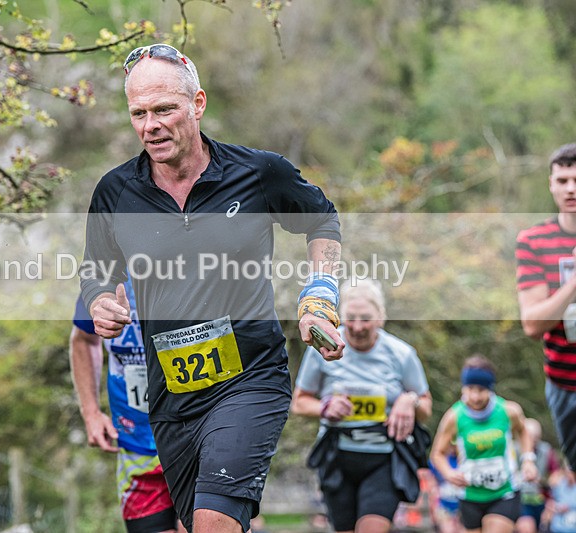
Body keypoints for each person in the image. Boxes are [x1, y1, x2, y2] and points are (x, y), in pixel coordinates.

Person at [79, 43, 343, 533]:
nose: (150, 126)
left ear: (197, 104)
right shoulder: (115, 193)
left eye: (164, 109)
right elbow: (95, 271)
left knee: (214, 522)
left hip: (250, 379)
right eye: (138, 113)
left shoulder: (258, 173)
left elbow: (322, 221)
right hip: (172, 397)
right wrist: (99, 301)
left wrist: (320, 295)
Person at [291, 279, 432, 533]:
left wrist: (409, 400)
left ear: (380, 317)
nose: (357, 327)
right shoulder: (323, 349)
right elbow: (299, 403)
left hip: (384, 458)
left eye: (365, 319)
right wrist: (325, 408)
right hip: (337, 456)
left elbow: (426, 408)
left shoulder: (401, 354)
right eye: (350, 319)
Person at [70, 280, 182, 533]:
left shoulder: (195, 268)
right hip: (136, 443)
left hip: (196, 436)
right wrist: (90, 412)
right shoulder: (104, 277)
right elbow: (84, 339)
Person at [516, 142, 576, 482]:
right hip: (565, 382)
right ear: (551, 184)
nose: (571, 189)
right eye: (563, 180)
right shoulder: (534, 241)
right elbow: (532, 324)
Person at [430, 355, 538, 533]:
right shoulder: (454, 417)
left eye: (481, 390)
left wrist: (528, 460)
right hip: (470, 494)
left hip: (504, 491)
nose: (475, 396)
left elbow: (523, 430)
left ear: (490, 388)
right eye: (470, 389)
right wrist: (448, 473)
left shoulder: (508, 411)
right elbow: (437, 453)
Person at [516, 418, 560, 533]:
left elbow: (556, 475)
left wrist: (543, 481)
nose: (532, 440)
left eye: (535, 437)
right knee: (527, 527)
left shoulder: (546, 450)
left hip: (541, 497)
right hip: (520, 497)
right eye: (530, 436)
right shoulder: (514, 449)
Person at [546, 464, 576, 533]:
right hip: (558, 527)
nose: (569, 474)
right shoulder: (559, 485)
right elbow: (550, 502)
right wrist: (556, 507)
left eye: (571, 472)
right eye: (567, 472)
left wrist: (568, 507)